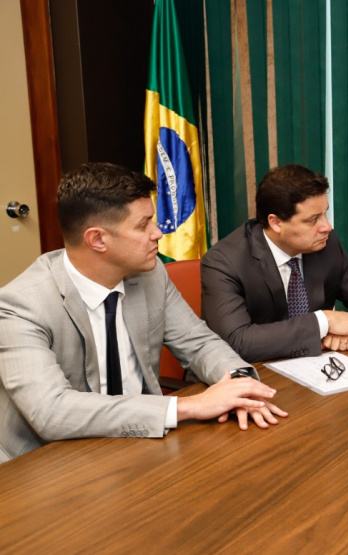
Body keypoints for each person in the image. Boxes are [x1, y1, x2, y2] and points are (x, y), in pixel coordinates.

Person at [0, 163, 285, 464]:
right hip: (46, 463)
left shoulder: (149, 275)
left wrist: (237, 385)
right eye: (143, 225)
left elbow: (199, 343)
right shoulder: (20, 305)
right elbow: (51, 412)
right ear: (97, 240)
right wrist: (188, 406)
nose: (158, 232)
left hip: (142, 444)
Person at [200, 164, 348, 361]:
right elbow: (237, 342)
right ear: (276, 223)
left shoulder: (326, 246)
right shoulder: (224, 263)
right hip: (249, 379)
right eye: (313, 219)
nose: (327, 227)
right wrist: (325, 321)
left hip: (316, 371)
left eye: (325, 214)